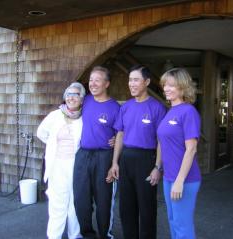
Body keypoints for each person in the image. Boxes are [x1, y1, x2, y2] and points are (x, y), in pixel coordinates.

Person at [108, 65, 166, 239]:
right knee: (126, 208)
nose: (131, 84)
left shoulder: (157, 108)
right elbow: (120, 134)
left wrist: (158, 167)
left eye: (136, 80)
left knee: (147, 208)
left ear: (146, 82)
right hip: (126, 159)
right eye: (130, 80)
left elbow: (161, 141)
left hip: (146, 161)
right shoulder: (126, 107)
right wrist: (114, 163)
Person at [73, 66, 120, 239]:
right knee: (81, 199)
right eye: (91, 80)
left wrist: (114, 160)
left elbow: (121, 134)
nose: (92, 84)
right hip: (83, 155)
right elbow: (69, 110)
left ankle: (105, 234)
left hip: (104, 157)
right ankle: (87, 234)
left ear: (106, 84)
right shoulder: (85, 101)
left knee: (104, 200)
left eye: (97, 80)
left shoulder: (115, 107)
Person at [37, 82, 86, 239]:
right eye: (69, 94)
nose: (71, 97)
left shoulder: (84, 118)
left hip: (76, 165)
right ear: (65, 97)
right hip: (57, 165)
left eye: (76, 94)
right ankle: (54, 236)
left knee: (75, 203)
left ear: (82, 99)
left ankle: (75, 235)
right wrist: (53, 146)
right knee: (58, 203)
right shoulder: (55, 115)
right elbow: (41, 133)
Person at [157, 68, 201, 239]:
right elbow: (163, 143)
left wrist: (179, 181)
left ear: (183, 87)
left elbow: (191, 149)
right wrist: (158, 167)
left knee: (182, 225)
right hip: (169, 177)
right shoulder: (170, 111)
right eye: (164, 85)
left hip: (184, 180)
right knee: (173, 220)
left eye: (171, 85)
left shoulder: (188, 112)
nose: (166, 89)